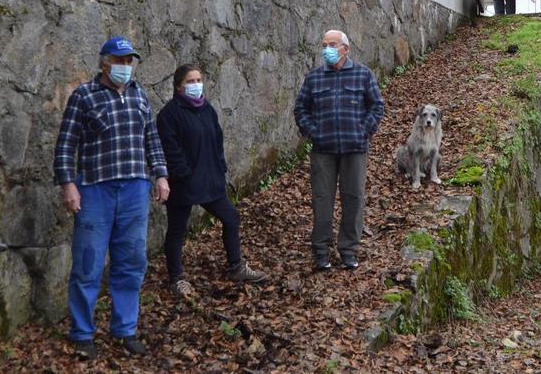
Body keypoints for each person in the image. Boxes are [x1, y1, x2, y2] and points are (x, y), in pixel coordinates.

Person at [53, 36, 170, 360]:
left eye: (129, 61)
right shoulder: (84, 96)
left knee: (131, 263)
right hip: (94, 190)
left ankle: (125, 330)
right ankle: (81, 333)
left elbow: (152, 140)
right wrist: (68, 184)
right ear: (104, 63)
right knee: (88, 265)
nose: (125, 67)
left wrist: (160, 175)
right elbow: (66, 145)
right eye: (119, 61)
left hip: (134, 189)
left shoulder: (139, 96)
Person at [157, 64, 266, 298]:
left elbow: (217, 139)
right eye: (190, 81)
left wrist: (220, 167)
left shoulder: (207, 109)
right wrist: (182, 174)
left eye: (199, 79)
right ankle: (176, 278)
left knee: (231, 217)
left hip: (210, 179)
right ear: (179, 86)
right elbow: (170, 148)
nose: (196, 85)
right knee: (177, 229)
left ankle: (236, 267)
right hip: (183, 183)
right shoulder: (169, 114)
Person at [293, 30, 384, 271]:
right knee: (322, 199)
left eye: (332, 44)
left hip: (354, 148)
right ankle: (321, 251)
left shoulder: (363, 74)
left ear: (345, 48)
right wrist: (314, 132)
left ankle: (348, 250)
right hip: (323, 150)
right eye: (324, 45)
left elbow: (376, 106)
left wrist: (363, 131)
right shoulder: (314, 78)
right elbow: (301, 109)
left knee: (354, 198)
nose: (327, 49)